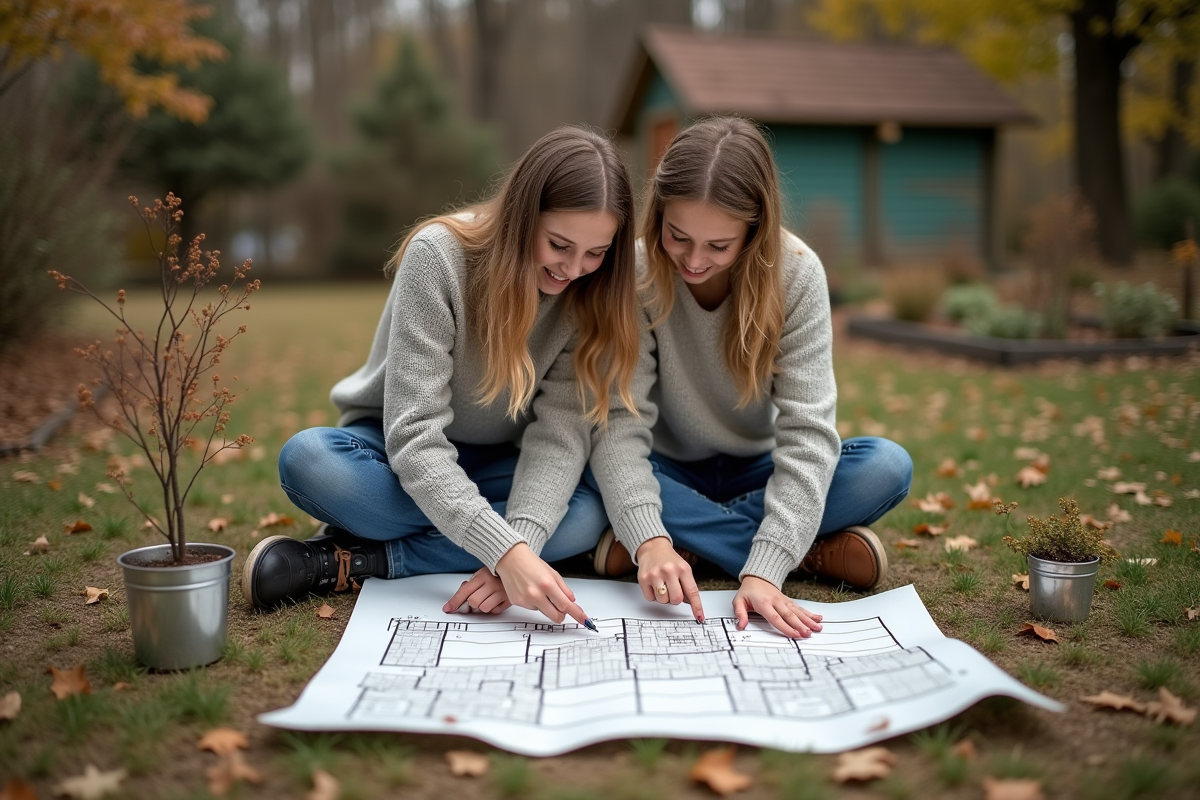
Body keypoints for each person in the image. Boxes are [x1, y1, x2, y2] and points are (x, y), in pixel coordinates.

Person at [242, 126, 641, 627]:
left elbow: (558, 439)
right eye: (559, 244)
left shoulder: (593, 292)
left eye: (596, 252)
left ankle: (360, 559)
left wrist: (513, 548)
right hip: (393, 450)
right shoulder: (440, 256)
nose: (573, 269)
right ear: (523, 216)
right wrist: (509, 551)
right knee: (310, 460)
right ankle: (460, 535)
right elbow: (413, 436)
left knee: (584, 512)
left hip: (498, 463)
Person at [591, 116, 913, 638]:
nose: (694, 260)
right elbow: (620, 422)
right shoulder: (636, 272)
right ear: (659, 216)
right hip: (667, 469)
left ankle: (697, 546)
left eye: (718, 246)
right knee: (594, 459)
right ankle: (808, 552)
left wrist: (763, 571)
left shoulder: (797, 273)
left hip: (758, 470)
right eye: (678, 237)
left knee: (886, 466)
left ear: (754, 229)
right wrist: (651, 535)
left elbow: (808, 435)